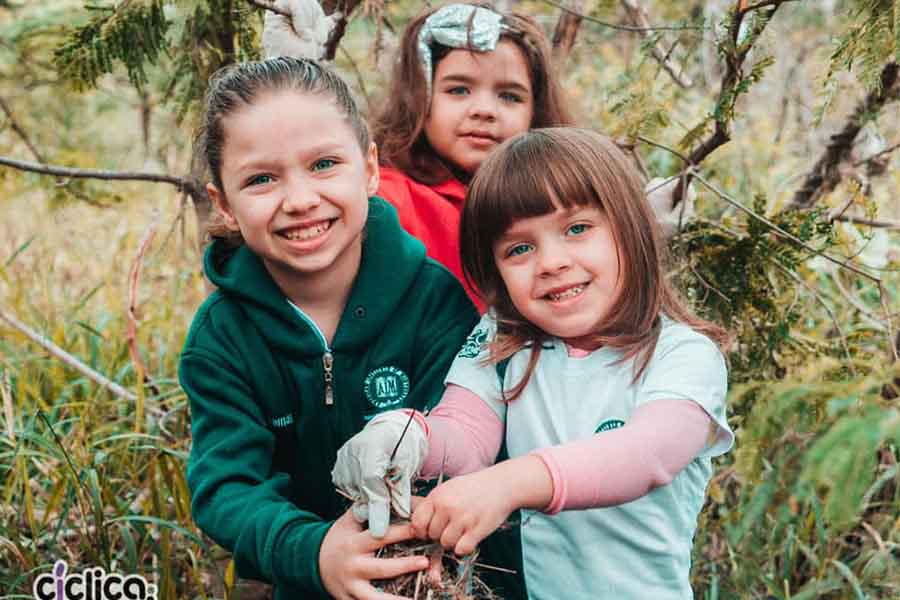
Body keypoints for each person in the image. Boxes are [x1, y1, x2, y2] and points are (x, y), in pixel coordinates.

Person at [333, 128, 734, 599]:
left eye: (577, 229)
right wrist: (408, 436)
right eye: (519, 248)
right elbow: (466, 431)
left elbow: (646, 455)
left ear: (631, 229)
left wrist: (509, 483)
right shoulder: (506, 338)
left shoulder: (682, 355)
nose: (551, 262)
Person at [179, 56, 478, 600]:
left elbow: (466, 440)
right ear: (223, 203)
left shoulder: (434, 300)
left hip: (433, 574)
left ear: (368, 170)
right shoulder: (222, 337)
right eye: (262, 179)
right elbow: (227, 488)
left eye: (323, 165)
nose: (299, 200)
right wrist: (317, 554)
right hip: (292, 576)